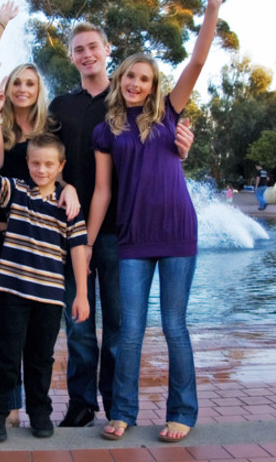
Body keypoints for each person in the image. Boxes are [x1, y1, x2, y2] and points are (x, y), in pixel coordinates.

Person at [87, 0, 227, 443]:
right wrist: (86, 245)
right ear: (121, 77)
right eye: (130, 76)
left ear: (153, 86)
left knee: (174, 327)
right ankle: (122, 411)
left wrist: (211, 10)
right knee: (127, 332)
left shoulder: (169, 112)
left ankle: (182, 412)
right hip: (131, 237)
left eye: (144, 79)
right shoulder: (105, 129)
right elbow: (103, 191)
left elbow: (199, 60)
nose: (135, 84)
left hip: (177, 233)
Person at [50, 24, 194, 427]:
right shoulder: (61, 106)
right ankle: (82, 403)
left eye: (93, 46)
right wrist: (64, 187)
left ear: (107, 50)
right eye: (79, 49)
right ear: (72, 56)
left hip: (124, 233)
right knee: (78, 323)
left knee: (120, 328)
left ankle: (117, 404)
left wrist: (183, 145)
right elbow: (45, 159)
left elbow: (161, 144)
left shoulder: (127, 102)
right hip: (76, 232)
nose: (86, 54)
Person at [0, 1, 80, 427]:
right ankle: (7, 405)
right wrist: (1, 22)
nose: (22, 88)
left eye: (30, 83)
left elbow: (58, 173)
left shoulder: (48, 131)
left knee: (30, 333)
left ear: (38, 90)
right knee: (7, 329)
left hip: (36, 243)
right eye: (17, 81)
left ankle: (27, 407)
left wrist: (69, 187)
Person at [0, 103, 90, 442]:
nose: (41, 169)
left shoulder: (68, 203)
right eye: (35, 163)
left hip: (50, 295)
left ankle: (39, 412)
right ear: (28, 163)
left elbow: (79, 247)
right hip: (13, 292)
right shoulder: (17, 192)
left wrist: (81, 293)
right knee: (7, 355)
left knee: (41, 358)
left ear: (60, 166)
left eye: (49, 164)